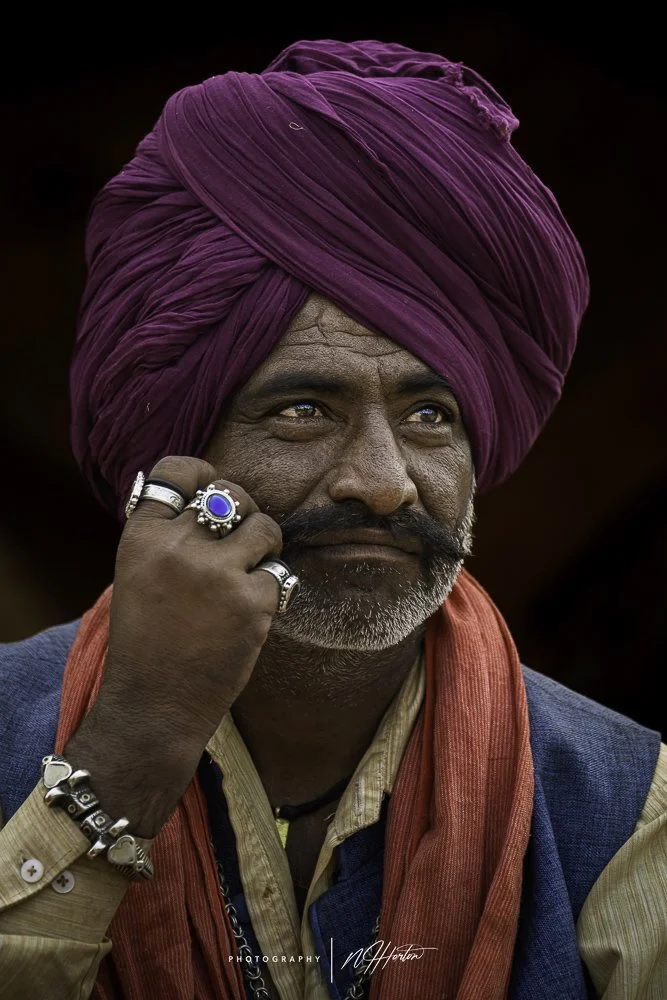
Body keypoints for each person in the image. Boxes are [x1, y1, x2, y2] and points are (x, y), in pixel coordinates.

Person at [0, 38, 664, 1000]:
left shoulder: (625, 803)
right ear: (177, 466)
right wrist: (135, 740)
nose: (384, 484)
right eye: (304, 409)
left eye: (429, 416)